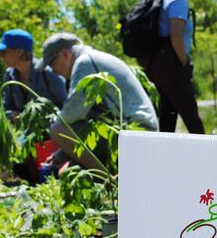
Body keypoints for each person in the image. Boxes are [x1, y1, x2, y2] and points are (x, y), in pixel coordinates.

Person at [42, 32, 158, 171]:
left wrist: (54, 124)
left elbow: (70, 115)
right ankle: (109, 176)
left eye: (52, 63)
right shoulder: (92, 59)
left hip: (135, 134)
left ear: (65, 54)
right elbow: (90, 119)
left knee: (57, 130)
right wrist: (62, 154)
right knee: (66, 172)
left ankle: (111, 181)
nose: (53, 71)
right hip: (133, 133)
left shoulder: (85, 62)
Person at [141, 0, 204, 134]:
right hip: (171, 63)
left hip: (156, 65)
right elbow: (176, 35)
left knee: (167, 115)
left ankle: (164, 157)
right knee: (191, 117)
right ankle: (209, 157)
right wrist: (184, 64)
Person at [0, 29, 67, 122]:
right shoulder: (9, 76)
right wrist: (13, 116)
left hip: (54, 133)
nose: (1, 56)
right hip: (26, 135)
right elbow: (6, 109)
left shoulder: (47, 73)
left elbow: (66, 106)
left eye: (4, 52)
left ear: (19, 51)